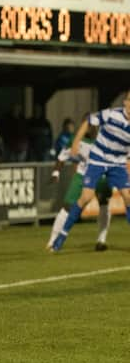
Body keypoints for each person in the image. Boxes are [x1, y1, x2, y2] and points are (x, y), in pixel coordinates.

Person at [52, 91, 130, 252]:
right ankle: (61, 237)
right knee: (86, 197)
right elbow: (89, 121)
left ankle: (101, 238)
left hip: (117, 163)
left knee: (128, 196)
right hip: (98, 159)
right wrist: (75, 142)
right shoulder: (111, 114)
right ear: (125, 102)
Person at [46, 125, 112, 251]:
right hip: (82, 175)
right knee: (67, 206)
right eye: (84, 124)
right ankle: (52, 240)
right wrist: (56, 173)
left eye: (89, 125)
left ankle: (101, 240)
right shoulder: (77, 140)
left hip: (101, 175)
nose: (86, 127)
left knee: (104, 203)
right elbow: (62, 156)